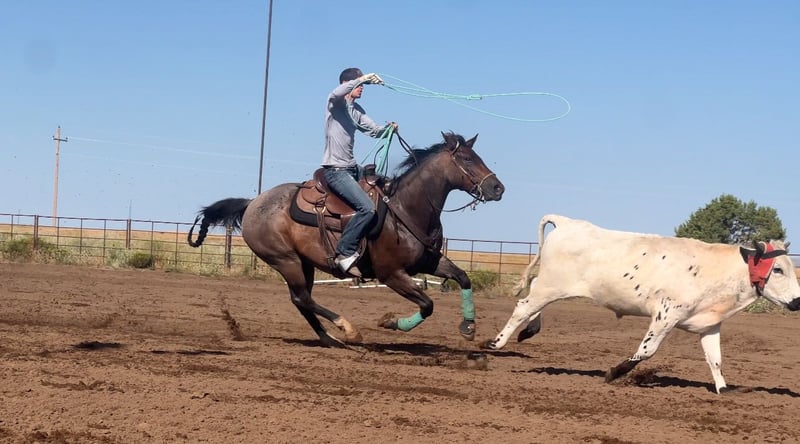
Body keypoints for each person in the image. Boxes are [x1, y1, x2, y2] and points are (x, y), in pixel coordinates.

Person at [322, 67, 398, 276]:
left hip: (352, 167)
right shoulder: (335, 104)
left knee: (386, 186)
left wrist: (388, 129)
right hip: (336, 170)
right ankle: (344, 252)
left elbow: (374, 130)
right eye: (359, 84)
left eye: (363, 85)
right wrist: (363, 78)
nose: (362, 88)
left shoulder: (355, 110)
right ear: (347, 84)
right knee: (367, 208)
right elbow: (336, 92)